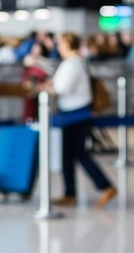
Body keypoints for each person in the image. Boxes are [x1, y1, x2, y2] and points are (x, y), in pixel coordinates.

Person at [39, 32, 117, 208]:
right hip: (73, 114)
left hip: (75, 115)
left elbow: (62, 88)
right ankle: (70, 193)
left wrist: (48, 88)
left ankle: (105, 186)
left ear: (67, 44)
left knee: (78, 153)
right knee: (70, 155)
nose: (58, 47)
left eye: (60, 43)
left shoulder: (72, 63)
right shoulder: (77, 62)